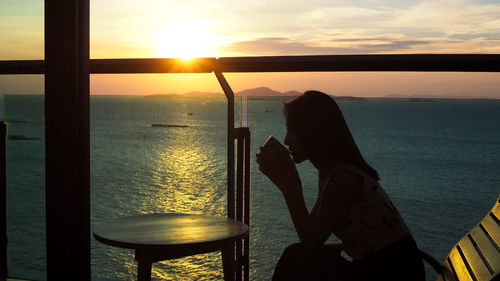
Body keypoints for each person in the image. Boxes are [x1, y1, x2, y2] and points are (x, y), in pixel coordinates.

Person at [256, 91, 425, 281]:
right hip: (387, 266)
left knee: (296, 260)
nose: (286, 140)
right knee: (296, 256)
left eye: (292, 131)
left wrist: (290, 188)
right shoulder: (332, 174)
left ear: (312, 132)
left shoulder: (342, 181)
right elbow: (310, 233)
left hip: (392, 272)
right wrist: (287, 183)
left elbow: (311, 241)